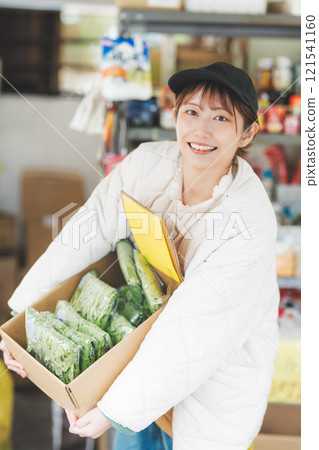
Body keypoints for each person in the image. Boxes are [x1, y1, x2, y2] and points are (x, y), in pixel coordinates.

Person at [1, 62, 279, 449]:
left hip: (208, 381)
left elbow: (195, 329)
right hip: (133, 362)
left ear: (248, 132)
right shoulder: (148, 163)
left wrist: (116, 410)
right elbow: (86, 231)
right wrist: (23, 318)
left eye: (220, 118)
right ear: (175, 116)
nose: (201, 131)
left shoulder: (247, 220)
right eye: (191, 112)